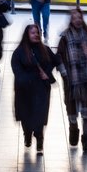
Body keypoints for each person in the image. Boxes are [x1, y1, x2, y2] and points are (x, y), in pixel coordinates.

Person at [11, 23, 62, 155]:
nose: (36, 35)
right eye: (33, 33)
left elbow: (56, 60)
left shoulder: (45, 49)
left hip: (41, 89)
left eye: (37, 32)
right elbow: (17, 70)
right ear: (27, 35)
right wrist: (29, 79)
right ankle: (27, 135)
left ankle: (39, 139)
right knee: (26, 116)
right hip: (25, 91)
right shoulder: (19, 52)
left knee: (40, 115)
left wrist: (47, 73)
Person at [57, 6, 87, 152]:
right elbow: (59, 56)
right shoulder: (65, 36)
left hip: (86, 77)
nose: (77, 20)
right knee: (71, 108)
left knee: (86, 110)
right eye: (74, 18)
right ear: (71, 20)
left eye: (79, 17)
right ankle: (73, 128)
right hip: (71, 79)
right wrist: (64, 73)